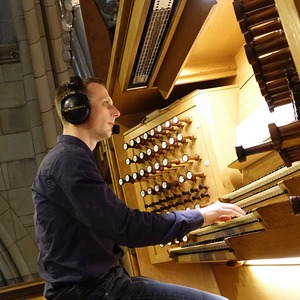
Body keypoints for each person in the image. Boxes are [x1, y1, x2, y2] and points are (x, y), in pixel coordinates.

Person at [32, 76, 245, 300]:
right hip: (95, 292)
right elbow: (126, 228)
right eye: (106, 103)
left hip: (104, 285)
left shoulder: (71, 159)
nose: (116, 112)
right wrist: (201, 215)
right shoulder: (68, 161)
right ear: (76, 109)